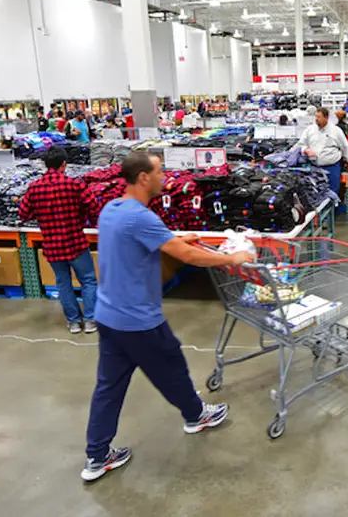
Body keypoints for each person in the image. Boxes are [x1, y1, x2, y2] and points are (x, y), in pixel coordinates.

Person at [81, 151, 253, 482]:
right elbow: (188, 256)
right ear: (143, 178)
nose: (165, 176)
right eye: (160, 171)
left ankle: (96, 456)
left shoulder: (112, 209)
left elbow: (145, 242)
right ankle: (195, 415)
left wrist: (175, 238)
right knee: (172, 366)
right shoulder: (142, 218)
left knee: (109, 387)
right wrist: (235, 258)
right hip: (137, 320)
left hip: (108, 315)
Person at [19, 147, 98, 334]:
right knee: (88, 281)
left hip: (52, 246)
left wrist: (40, 214)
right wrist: (84, 216)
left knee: (63, 283)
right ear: (64, 164)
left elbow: (23, 214)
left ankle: (73, 322)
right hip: (76, 242)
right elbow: (94, 206)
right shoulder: (75, 185)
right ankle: (90, 320)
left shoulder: (34, 188)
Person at [294, 107, 348, 194]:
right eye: (316, 117)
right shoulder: (310, 130)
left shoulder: (336, 131)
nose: (316, 119)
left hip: (331, 167)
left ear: (326, 117)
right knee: (315, 193)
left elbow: (345, 147)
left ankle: (334, 206)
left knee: (332, 192)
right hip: (314, 167)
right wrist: (307, 150)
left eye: (319, 117)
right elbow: (300, 144)